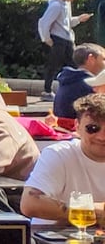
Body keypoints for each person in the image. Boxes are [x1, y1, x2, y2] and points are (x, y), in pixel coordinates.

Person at [19, 91, 105, 220]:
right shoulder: (58, 154)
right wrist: (92, 212)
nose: (102, 137)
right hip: (51, 237)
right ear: (77, 126)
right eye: (92, 128)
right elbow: (30, 203)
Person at [41, 0, 92, 85]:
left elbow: (67, 22)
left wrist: (78, 19)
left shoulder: (66, 4)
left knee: (74, 63)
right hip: (58, 39)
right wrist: (47, 39)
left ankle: (79, 87)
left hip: (67, 39)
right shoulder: (56, 5)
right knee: (54, 64)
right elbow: (44, 22)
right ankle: (47, 90)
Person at [55, 43, 105, 122]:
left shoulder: (68, 80)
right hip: (83, 131)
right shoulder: (89, 86)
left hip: (64, 129)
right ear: (91, 59)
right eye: (103, 59)